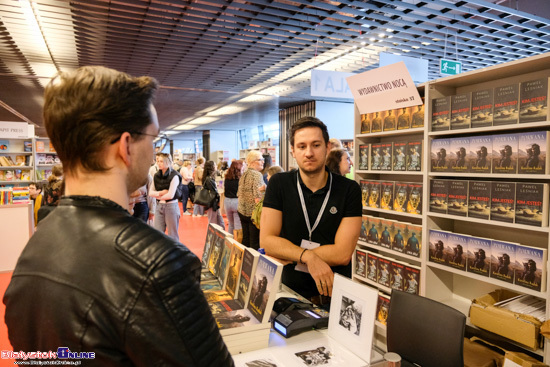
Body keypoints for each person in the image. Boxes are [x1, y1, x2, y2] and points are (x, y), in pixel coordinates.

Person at [2, 66, 233, 366]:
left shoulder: (32, 251)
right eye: (153, 139)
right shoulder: (159, 265)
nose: (153, 153)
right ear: (125, 146)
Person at [260, 116, 362, 304]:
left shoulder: (349, 189)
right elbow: (267, 241)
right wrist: (307, 256)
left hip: (333, 292)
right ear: (292, 151)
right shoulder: (279, 184)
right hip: (287, 292)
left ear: (327, 148)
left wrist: (290, 256)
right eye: (301, 146)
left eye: (316, 145)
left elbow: (343, 254)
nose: (309, 153)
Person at [237, 150, 266, 249]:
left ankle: (244, 262)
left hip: (242, 210)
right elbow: (258, 197)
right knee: (254, 242)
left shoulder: (244, 173)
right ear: (253, 162)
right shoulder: (257, 175)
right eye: (260, 159)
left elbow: (239, 193)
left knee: (246, 239)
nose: (263, 161)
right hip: (252, 213)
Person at [150, 152, 182, 241]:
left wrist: (157, 195)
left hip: (171, 207)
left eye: (161, 161)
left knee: (173, 235)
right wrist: (161, 193)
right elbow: (150, 192)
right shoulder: (156, 175)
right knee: (158, 234)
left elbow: (171, 195)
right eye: (158, 161)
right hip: (159, 206)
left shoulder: (174, 176)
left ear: (168, 162)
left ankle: (176, 253)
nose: (159, 163)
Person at [224, 160, 243, 242]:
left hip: (227, 202)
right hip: (237, 202)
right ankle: (238, 245)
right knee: (238, 226)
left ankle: (229, 243)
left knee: (231, 224)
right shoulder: (240, 179)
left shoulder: (227, 178)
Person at [203, 160, 224, 228]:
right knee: (213, 223)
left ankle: (218, 238)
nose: (216, 166)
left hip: (213, 204)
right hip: (212, 204)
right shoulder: (209, 179)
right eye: (215, 165)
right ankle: (211, 238)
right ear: (211, 167)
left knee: (220, 223)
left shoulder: (209, 178)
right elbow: (214, 192)